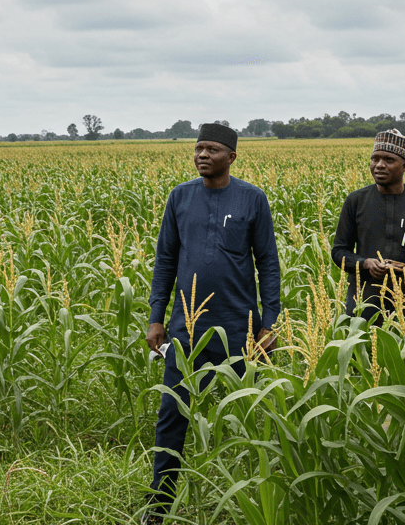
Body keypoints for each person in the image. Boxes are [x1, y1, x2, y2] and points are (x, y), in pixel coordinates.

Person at [144, 123, 280, 522]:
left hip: (240, 329)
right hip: (187, 330)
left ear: (231, 157)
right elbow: (165, 261)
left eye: (212, 149)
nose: (202, 155)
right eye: (198, 148)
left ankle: (251, 503)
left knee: (251, 417)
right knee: (172, 415)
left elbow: (268, 263)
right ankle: (159, 506)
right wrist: (156, 318)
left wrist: (269, 323)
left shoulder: (252, 199)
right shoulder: (180, 197)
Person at [331, 129, 405, 322]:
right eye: (375, 159)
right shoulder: (355, 201)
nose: (379, 165)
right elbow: (339, 251)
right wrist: (365, 264)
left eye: (388, 160)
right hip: (363, 303)